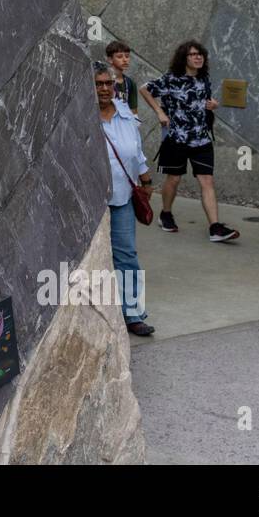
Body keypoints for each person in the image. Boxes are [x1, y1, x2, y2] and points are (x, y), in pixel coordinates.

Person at [139, 40, 240, 242]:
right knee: (174, 179)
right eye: (193, 54)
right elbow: (144, 89)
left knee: (207, 180)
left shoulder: (204, 79)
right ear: (183, 58)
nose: (198, 57)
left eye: (200, 54)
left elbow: (203, 102)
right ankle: (165, 213)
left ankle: (215, 227)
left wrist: (212, 105)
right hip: (176, 138)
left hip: (201, 139)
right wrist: (159, 112)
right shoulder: (172, 79)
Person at [96, 62, 155, 336]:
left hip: (122, 197)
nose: (105, 89)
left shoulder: (125, 114)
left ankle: (132, 313)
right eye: (98, 84)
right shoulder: (81, 117)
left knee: (126, 255)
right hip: (91, 203)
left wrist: (146, 181)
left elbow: (137, 152)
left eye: (108, 83)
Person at [105, 40, 139, 113]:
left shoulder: (131, 83)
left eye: (127, 56)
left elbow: (134, 112)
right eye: (119, 57)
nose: (125, 60)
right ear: (110, 60)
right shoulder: (100, 79)